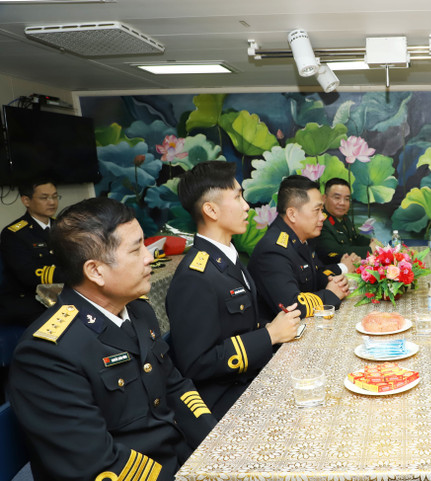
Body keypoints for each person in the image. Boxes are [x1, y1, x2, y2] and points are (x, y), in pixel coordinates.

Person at [8, 198, 216, 481]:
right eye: (136, 249)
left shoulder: (138, 311)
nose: (149, 257)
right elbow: (96, 464)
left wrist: (218, 443)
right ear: (95, 271)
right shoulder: (47, 353)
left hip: (179, 457)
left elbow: (175, 387)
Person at [165, 161, 301, 419]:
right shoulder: (195, 277)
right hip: (227, 400)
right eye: (237, 197)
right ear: (211, 210)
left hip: (250, 377)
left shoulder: (226, 258)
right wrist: (269, 335)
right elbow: (196, 363)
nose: (246, 206)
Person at [248, 175, 350, 319]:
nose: (323, 217)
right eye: (317, 210)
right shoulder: (273, 250)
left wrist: (333, 281)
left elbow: (314, 274)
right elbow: (291, 305)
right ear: (292, 214)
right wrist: (330, 295)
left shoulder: (301, 238)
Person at [0, 179, 64, 326]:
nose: (52, 202)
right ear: (26, 201)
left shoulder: (63, 227)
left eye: (55, 196)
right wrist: (72, 275)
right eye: (44, 197)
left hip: (62, 295)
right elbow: (28, 275)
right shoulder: (14, 233)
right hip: (30, 300)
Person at [315, 178, 380, 264]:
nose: (342, 203)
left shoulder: (344, 217)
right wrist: (370, 249)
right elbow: (336, 251)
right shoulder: (320, 222)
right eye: (337, 198)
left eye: (346, 199)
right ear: (324, 198)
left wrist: (373, 242)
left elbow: (354, 238)